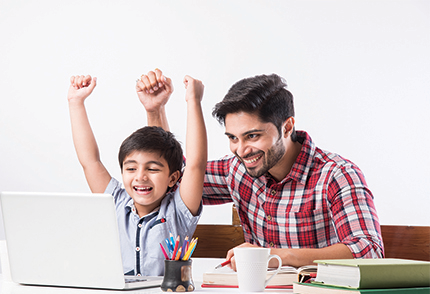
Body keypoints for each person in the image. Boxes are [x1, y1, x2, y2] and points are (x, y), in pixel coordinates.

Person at [141, 72, 383, 270]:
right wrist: (155, 111)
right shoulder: (236, 169)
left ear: (287, 126)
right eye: (233, 138)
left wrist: (277, 256)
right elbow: (173, 179)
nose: (242, 150)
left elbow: (369, 251)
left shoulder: (336, 174)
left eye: (253, 136)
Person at [67, 70, 207, 276]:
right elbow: (90, 161)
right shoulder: (115, 201)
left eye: (152, 169)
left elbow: (196, 164)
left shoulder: (178, 211)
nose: (140, 176)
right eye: (131, 168)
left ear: (173, 178)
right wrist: (75, 102)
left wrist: (193, 101)